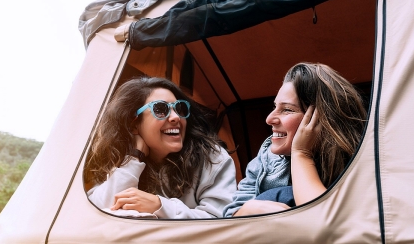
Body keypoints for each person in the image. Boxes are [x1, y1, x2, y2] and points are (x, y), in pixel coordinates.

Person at [224, 63, 367, 217]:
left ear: (322, 119)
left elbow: (325, 221)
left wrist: (301, 153)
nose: (269, 119)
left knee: (284, 195)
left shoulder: (362, 163)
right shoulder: (265, 158)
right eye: (275, 107)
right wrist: (246, 211)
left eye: (287, 109)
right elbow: (230, 218)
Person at [84, 77, 236, 219]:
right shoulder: (115, 157)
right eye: (160, 109)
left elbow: (221, 220)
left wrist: (160, 206)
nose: (176, 117)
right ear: (133, 124)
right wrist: (133, 159)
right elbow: (97, 213)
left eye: (179, 108)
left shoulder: (212, 158)